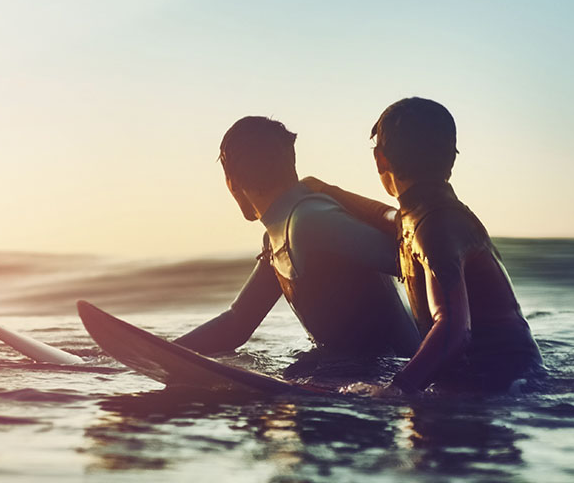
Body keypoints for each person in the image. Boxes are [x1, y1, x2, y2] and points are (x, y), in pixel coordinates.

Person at [310, 97, 543, 394]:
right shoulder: (426, 215)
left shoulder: (436, 226)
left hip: (501, 384)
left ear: (380, 159)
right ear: (452, 157)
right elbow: (387, 215)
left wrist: (396, 389)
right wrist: (329, 191)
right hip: (507, 377)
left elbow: (454, 329)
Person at [174, 116, 420, 381]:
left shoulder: (309, 221)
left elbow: (417, 257)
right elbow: (238, 322)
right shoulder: (280, 234)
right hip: (355, 374)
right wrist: (162, 354)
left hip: (396, 376)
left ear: (231, 182)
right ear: (290, 164)